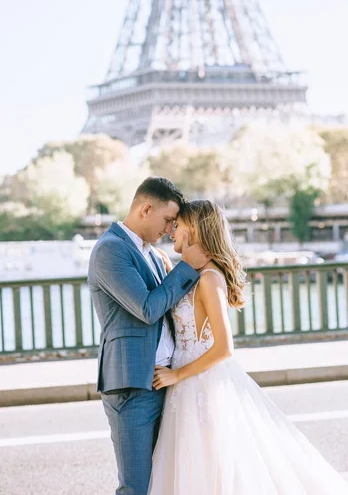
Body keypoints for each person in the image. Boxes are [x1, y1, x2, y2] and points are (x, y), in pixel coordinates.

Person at [148, 199, 348, 495]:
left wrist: (176, 375)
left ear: (194, 229)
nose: (172, 231)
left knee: (210, 467)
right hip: (185, 386)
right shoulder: (194, 275)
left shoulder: (209, 279)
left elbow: (224, 348)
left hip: (199, 384)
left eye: (178, 225)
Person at [88, 177, 210, 495]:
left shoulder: (154, 255)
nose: (170, 230)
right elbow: (146, 308)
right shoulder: (110, 250)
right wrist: (188, 267)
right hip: (132, 385)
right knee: (137, 487)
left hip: (164, 381)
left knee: (165, 481)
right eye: (168, 220)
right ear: (146, 209)